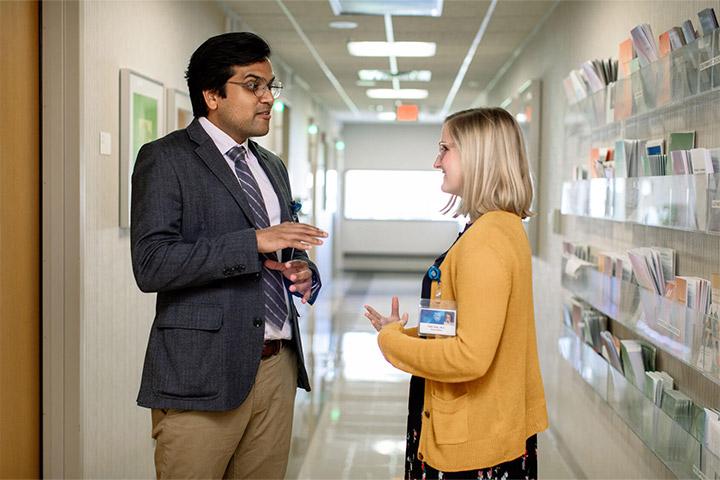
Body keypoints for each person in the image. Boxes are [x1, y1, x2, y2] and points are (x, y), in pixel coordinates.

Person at [130, 32, 327, 479]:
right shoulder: (166, 159)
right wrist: (252, 241)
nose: (267, 99)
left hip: (278, 367)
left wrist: (302, 272)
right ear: (213, 95)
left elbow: (281, 246)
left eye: (270, 87)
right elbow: (151, 263)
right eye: (253, 85)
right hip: (202, 371)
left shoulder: (271, 165)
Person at [364, 108, 548, 479]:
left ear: (477, 155)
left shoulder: (485, 243)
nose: (437, 162)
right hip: (494, 426)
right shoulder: (502, 228)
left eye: (445, 149)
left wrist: (390, 343)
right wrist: (407, 333)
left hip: (475, 442)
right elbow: (470, 330)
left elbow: (469, 357)